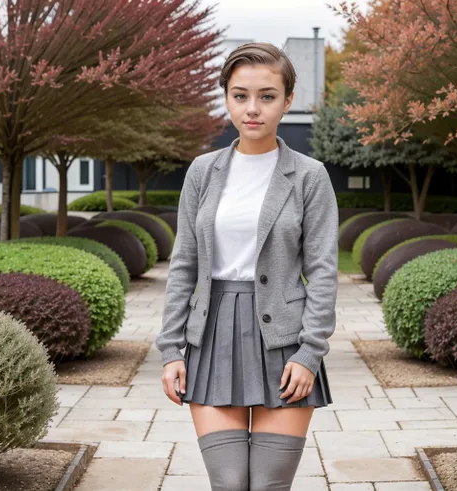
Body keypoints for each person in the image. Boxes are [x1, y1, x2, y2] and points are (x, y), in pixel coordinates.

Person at [156, 41, 338, 491]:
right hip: (211, 334)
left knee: (268, 487)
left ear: (288, 100)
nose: (252, 109)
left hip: (284, 343)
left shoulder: (309, 175)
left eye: (267, 96)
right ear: (227, 98)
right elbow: (183, 265)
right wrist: (171, 350)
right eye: (240, 96)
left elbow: (323, 271)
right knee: (231, 484)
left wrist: (309, 353)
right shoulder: (203, 171)